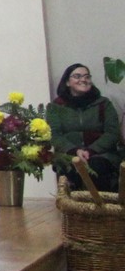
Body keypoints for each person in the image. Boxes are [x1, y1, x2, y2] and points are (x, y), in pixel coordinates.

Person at [49, 63, 122, 193]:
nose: (83, 80)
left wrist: (91, 151)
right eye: (77, 76)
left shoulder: (104, 104)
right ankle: (77, 209)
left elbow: (112, 133)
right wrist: (75, 150)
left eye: (87, 77)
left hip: (102, 154)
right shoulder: (55, 107)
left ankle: (102, 209)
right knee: (73, 167)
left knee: (96, 166)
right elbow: (55, 135)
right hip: (69, 154)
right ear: (67, 82)